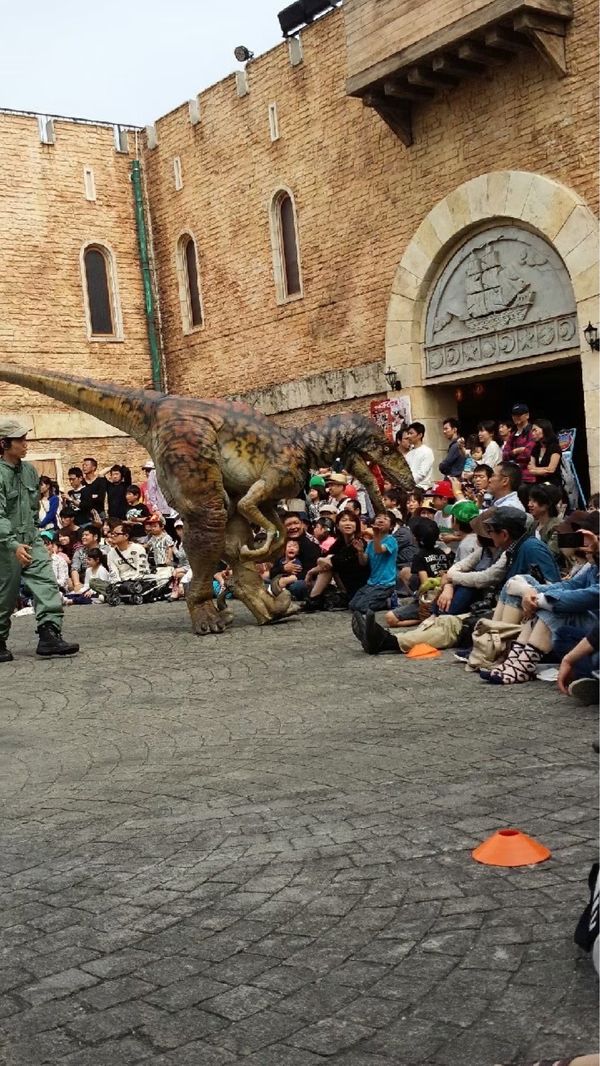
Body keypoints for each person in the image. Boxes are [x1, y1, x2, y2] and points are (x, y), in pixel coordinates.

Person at [0, 419, 79, 661]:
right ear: (4, 443)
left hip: (31, 538)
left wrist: (33, 535)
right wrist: (13, 544)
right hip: (5, 543)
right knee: (5, 594)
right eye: (20, 440)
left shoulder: (30, 471)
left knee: (46, 584)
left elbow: (34, 510)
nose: (26, 444)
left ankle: (49, 635)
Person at [385, 517, 448, 628]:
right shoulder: (442, 552)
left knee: (390, 619)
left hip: (430, 600)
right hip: (444, 596)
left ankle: (423, 618)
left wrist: (419, 596)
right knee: (405, 571)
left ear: (415, 538)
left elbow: (425, 584)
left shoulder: (419, 556)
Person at [304, 510, 369, 611]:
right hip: (344, 583)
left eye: (352, 521)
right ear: (338, 526)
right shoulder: (340, 542)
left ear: (356, 525)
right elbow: (327, 557)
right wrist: (322, 561)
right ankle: (313, 599)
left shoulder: (359, 543)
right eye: (344, 520)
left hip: (358, 587)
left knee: (328, 565)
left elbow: (331, 561)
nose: (348, 523)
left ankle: (313, 599)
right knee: (327, 564)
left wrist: (311, 572)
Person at [348, 511, 398, 613]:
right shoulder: (370, 543)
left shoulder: (391, 540)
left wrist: (375, 534)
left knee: (362, 607)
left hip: (386, 583)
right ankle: (383, 600)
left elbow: (379, 550)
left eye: (385, 519)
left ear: (391, 526)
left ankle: (389, 601)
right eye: (379, 517)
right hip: (372, 582)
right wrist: (360, 551)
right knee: (352, 605)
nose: (381, 520)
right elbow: (364, 562)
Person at [269, 512, 321, 601]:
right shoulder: (283, 544)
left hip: (304, 580)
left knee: (297, 587)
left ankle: (275, 592)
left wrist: (288, 580)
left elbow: (312, 572)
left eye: (296, 523)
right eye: (289, 525)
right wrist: (283, 568)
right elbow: (273, 571)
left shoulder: (311, 544)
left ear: (302, 524)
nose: (293, 527)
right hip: (283, 577)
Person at [502, 402, 536, 485]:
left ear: (527, 415)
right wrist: (516, 451)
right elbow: (504, 454)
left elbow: (529, 453)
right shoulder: (513, 434)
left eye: (519, 414)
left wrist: (513, 454)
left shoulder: (533, 432)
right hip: (514, 475)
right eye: (514, 415)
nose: (516, 417)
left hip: (528, 477)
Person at [528, 484, 562, 558]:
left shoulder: (557, 527)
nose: (530, 504)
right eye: (530, 500)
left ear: (547, 504)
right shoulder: (533, 525)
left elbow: (551, 554)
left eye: (535, 501)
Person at [528, 418, 563, 486]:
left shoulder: (554, 447)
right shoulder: (535, 448)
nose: (532, 433)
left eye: (535, 430)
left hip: (552, 484)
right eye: (532, 431)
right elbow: (531, 469)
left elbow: (551, 470)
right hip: (539, 483)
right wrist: (543, 470)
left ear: (544, 429)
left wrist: (536, 470)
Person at [70, 526, 103, 591]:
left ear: (95, 537)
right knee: (70, 582)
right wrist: (77, 584)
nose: (83, 537)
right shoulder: (79, 551)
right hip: (84, 582)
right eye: (82, 535)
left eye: (86, 535)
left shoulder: (105, 550)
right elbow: (74, 569)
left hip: (101, 579)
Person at [405, 422, 434, 490]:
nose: (408, 436)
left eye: (411, 433)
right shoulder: (409, 454)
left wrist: (409, 484)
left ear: (420, 435)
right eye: (408, 433)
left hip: (422, 488)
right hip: (409, 488)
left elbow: (422, 474)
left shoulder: (427, 451)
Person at [79, 457, 107, 521]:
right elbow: (81, 499)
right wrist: (92, 496)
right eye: (83, 465)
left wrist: (87, 497)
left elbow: (100, 498)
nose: (84, 467)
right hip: (85, 514)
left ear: (93, 467)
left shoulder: (101, 480)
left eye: (86, 465)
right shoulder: (82, 482)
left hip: (99, 513)